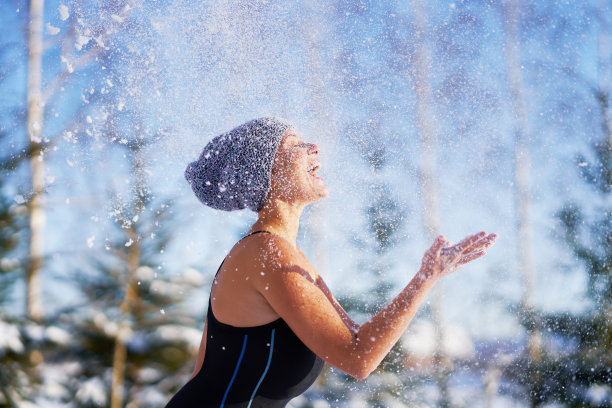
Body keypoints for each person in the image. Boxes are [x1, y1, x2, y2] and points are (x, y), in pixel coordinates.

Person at [165, 117, 497, 408]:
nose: (314, 147)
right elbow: (358, 358)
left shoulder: (281, 254)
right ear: (265, 172)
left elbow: (357, 338)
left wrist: (429, 275)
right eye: (294, 144)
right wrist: (426, 279)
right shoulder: (266, 253)